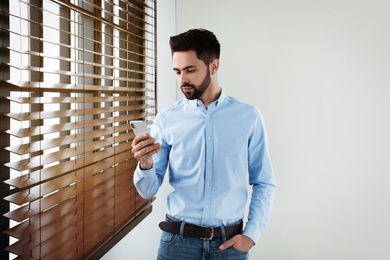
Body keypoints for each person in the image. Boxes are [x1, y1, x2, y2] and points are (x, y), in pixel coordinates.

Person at [132, 28, 276, 260]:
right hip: (176, 245)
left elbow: (264, 181)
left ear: (214, 66)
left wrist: (252, 233)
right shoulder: (167, 119)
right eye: (177, 71)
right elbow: (148, 190)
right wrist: (146, 164)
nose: (182, 79)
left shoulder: (248, 117)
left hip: (228, 246)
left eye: (190, 70)